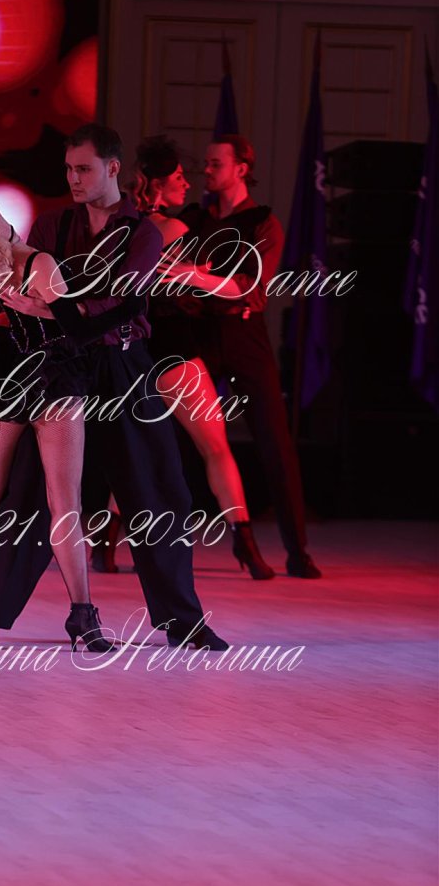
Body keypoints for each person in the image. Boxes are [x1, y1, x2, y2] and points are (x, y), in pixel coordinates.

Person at [0, 124, 229, 652]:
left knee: (158, 489)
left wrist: (50, 306)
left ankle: (182, 619)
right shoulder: (51, 225)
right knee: (30, 493)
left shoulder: (143, 234)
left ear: (112, 168)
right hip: (60, 367)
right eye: (68, 169)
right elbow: (22, 284)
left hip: (122, 368)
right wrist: (27, 299)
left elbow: (112, 304)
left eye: (83, 169)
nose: (74, 178)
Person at [0, 199, 113, 653]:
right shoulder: (40, 262)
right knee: (64, 502)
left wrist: (0, 289)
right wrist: (50, 310)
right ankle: (82, 613)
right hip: (53, 377)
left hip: (9, 376)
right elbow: (78, 332)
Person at [157, 134, 321, 578]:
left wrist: (197, 276)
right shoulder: (194, 219)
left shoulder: (263, 223)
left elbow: (251, 288)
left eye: (215, 164)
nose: (206, 171)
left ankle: (297, 551)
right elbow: (165, 266)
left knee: (274, 441)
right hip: (199, 334)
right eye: (206, 164)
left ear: (241, 169)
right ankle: (126, 540)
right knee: (172, 436)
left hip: (245, 334)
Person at [130, 135, 274, 580]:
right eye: (178, 177)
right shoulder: (175, 231)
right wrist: (203, 278)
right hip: (172, 349)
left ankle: (104, 544)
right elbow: (230, 285)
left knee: (140, 451)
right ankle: (246, 545)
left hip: (131, 350)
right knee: (215, 448)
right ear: (157, 185)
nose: (188, 184)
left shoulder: (120, 226)